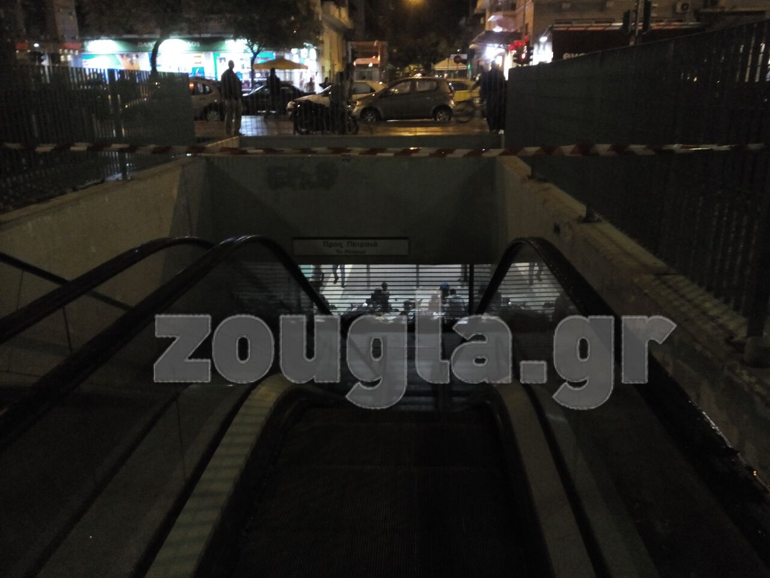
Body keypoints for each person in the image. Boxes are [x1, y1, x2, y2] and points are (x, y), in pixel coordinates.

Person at [480, 61, 506, 133]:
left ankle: (492, 127)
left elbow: (484, 86)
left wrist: (483, 97)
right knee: (499, 111)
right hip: (499, 96)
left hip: (490, 96)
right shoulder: (500, 74)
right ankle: (497, 127)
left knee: (490, 112)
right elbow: (504, 84)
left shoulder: (488, 75)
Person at [220, 60, 242, 136]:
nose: (232, 65)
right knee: (231, 115)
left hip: (234, 97)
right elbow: (226, 87)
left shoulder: (230, 74)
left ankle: (233, 131)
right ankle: (230, 131)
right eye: (231, 64)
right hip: (231, 98)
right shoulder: (228, 75)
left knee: (235, 115)